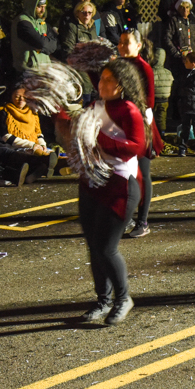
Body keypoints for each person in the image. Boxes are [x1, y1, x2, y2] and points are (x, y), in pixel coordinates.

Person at [74, 59, 148, 326]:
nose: (102, 84)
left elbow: (136, 146)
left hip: (120, 184)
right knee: (94, 247)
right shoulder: (95, 106)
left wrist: (98, 137)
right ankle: (102, 301)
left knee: (107, 248)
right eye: (101, 78)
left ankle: (123, 298)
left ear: (121, 85)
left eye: (108, 80)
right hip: (92, 182)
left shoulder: (129, 111)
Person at [118, 30, 164, 238]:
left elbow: (149, 101)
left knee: (142, 174)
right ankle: (123, 218)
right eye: (120, 42)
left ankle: (142, 220)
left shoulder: (143, 68)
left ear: (138, 45)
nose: (121, 46)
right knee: (121, 173)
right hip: (120, 124)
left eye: (126, 42)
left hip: (140, 126)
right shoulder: (119, 66)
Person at [163, 0, 195, 125]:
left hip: (193, 60)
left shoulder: (193, 21)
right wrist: (176, 54)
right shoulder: (174, 21)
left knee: (192, 86)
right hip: (179, 61)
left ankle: (192, 114)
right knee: (179, 87)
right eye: (182, 7)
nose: (185, 10)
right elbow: (167, 38)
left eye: (187, 7)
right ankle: (176, 116)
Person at [11, 0, 57, 74]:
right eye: (39, 7)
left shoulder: (42, 23)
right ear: (31, 5)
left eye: (44, 6)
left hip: (44, 70)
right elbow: (40, 43)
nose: (43, 10)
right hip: (28, 71)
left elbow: (54, 45)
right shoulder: (22, 22)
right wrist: (45, 45)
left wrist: (44, 45)